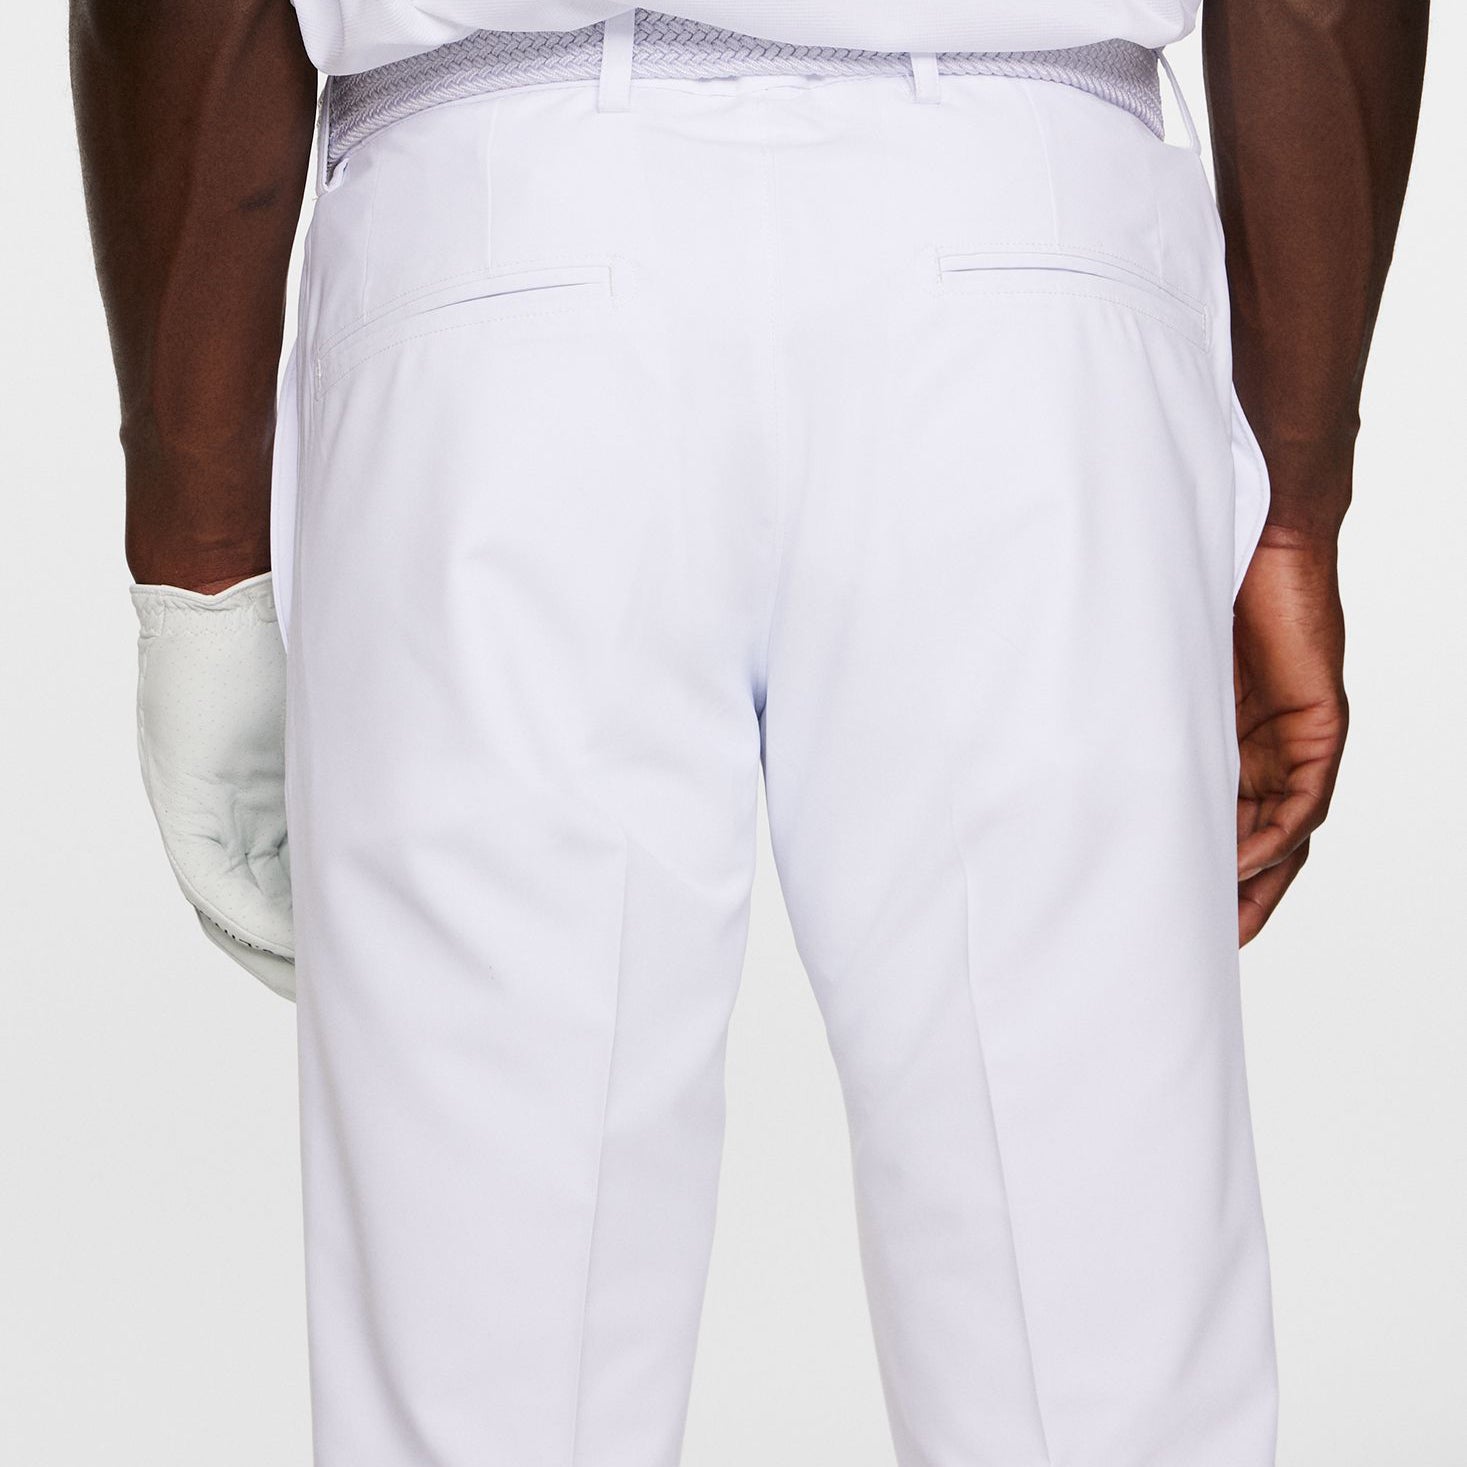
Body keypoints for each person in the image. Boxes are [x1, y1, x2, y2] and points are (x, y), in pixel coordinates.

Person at [70, 2, 1428, 1463]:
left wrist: (202, 561)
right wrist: (1291, 501)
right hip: (1026, 245)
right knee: (1102, 1350)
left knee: (485, 1366)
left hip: (499, 253)